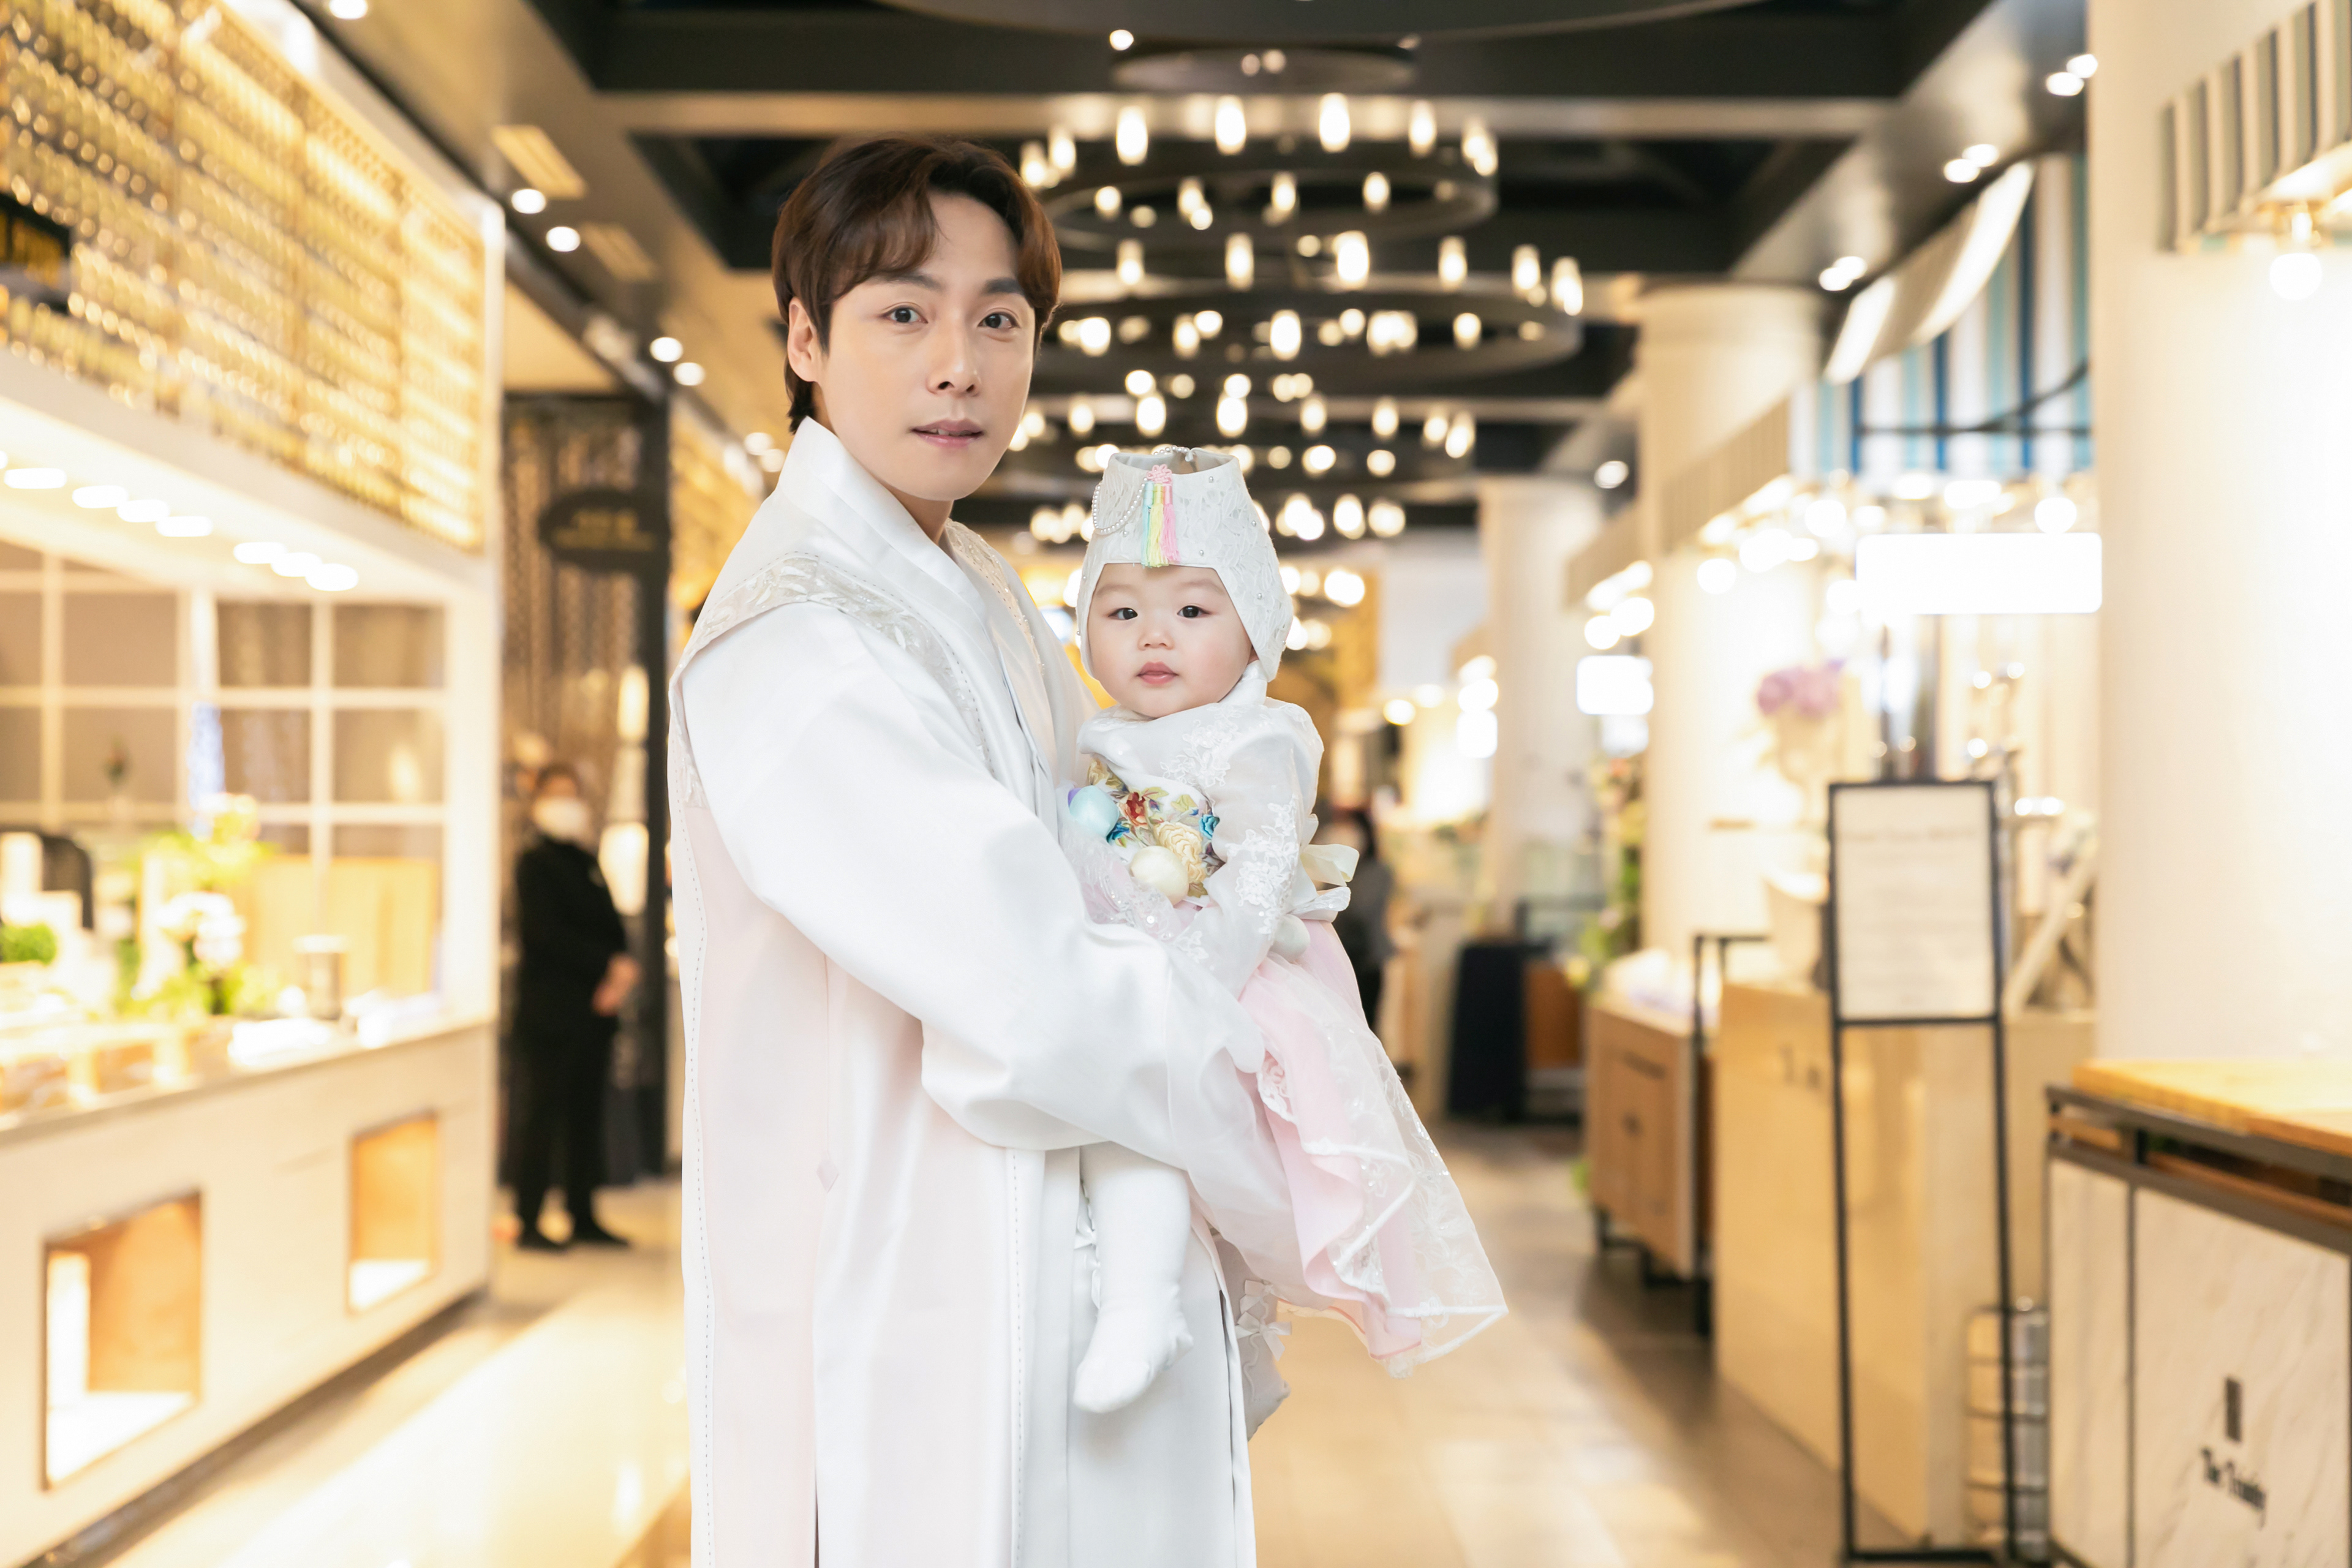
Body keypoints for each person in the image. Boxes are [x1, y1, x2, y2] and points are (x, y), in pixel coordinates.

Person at [668, 137, 1302, 1566]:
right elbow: (1032, 989)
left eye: (998, 318)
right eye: (903, 311)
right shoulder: (800, 636)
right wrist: (1258, 1050)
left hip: (1044, 1244)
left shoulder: (978, 587)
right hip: (914, 1274)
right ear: (805, 340)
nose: (958, 365)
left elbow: (1112, 851)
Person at [1058, 448, 1504, 1415]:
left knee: (1152, 1129)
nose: (1154, 636)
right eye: (1121, 612)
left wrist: (1189, 989)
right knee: (1124, 1136)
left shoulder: (1254, 736)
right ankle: (1186, 1330)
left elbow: (1257, 880)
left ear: (1256, 628)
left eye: (1193, 610)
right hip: (1123, 964)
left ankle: (1149, 1310)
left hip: (1227, 977)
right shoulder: (1097, 735)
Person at [510, 764, 639, 1250]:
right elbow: (545, 935)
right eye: (557, 794)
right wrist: (606, 965)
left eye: (573, 794)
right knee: (540, 1117)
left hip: (595, 1011)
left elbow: (611, 926)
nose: (567, 804)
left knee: (586, 1116)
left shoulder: (586, 861)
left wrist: (618, 973)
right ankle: (528, 1219)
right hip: (550, 1014)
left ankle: (582, 1214)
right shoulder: (534, 864)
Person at [1321, 807, 1396, 1027]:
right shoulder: (1331, 871)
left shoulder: (1377, 871)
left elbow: (1360, 909)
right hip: (1338, 956)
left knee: (1366, 1025)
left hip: (1367, 960)